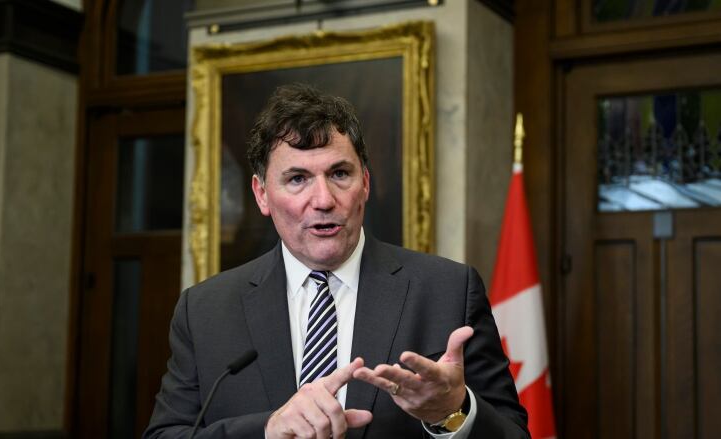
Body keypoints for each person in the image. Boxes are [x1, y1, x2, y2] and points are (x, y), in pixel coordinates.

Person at [144, 83, 528, 438]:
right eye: (297, 179)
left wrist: (451, 412)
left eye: (339, 173)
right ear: (262, 195)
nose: (324, 200)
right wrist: (268, 431)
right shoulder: (206, 310)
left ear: (365, 183)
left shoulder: (447, 291)